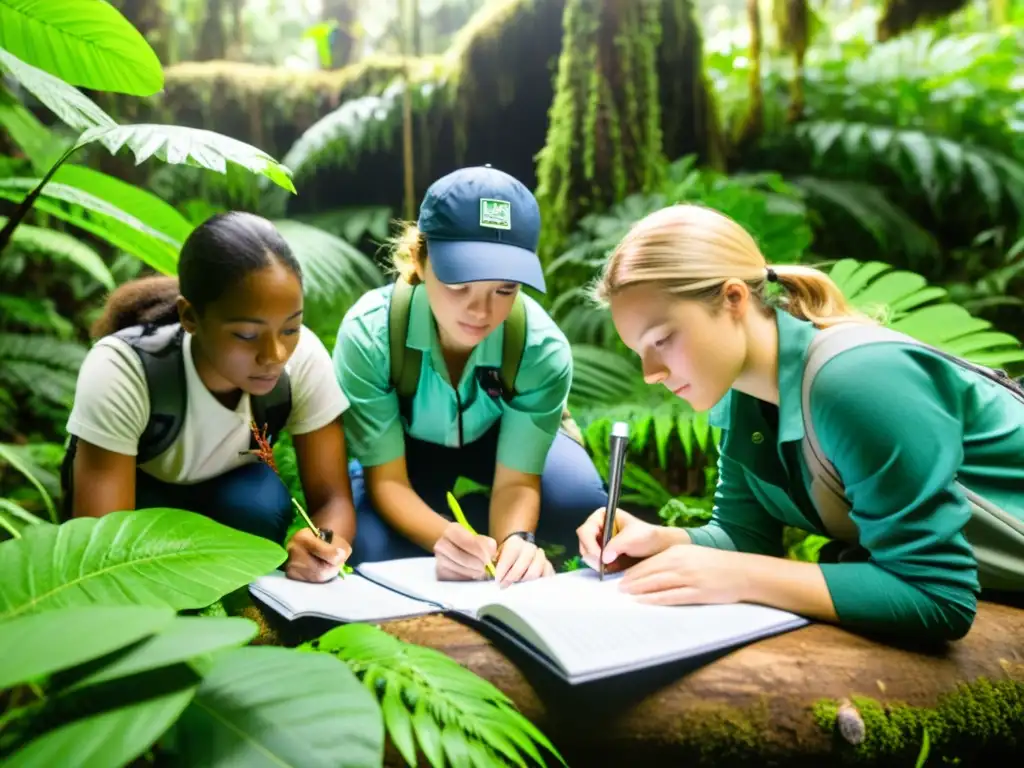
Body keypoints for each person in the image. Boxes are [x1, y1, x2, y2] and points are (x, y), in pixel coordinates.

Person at [577, 203, 1024, 641]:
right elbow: (743, 537)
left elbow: (939, 596)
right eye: (640, 352)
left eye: (664, 339)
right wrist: (659, 539)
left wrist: (743, 576)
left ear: (733, 299)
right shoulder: (742, 396)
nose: (651, 373)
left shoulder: (855, 381)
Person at [334, 165, 608, 584]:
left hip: (498, 441)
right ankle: (464, 523)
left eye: (505, 289)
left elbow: (518, 479)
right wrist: (445, 537)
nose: (481, 311)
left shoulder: (540, 348)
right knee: (372, 547)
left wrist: (516, 540)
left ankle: (486, 522)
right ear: (419, 260)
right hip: (408, 453)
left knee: (578, 503)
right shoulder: (370, 335)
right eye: (459, 284)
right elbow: (387, 480)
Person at [64, 211, 355, 583]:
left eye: (290, 328)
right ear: (189, 316)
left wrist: (324, 546)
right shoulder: (124, 368)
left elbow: (334, 500)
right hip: (140, 502)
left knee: (261, 504)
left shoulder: (303, 358)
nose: (275, 355)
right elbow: (100, 545)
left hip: (235, 502)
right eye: (247, 335)